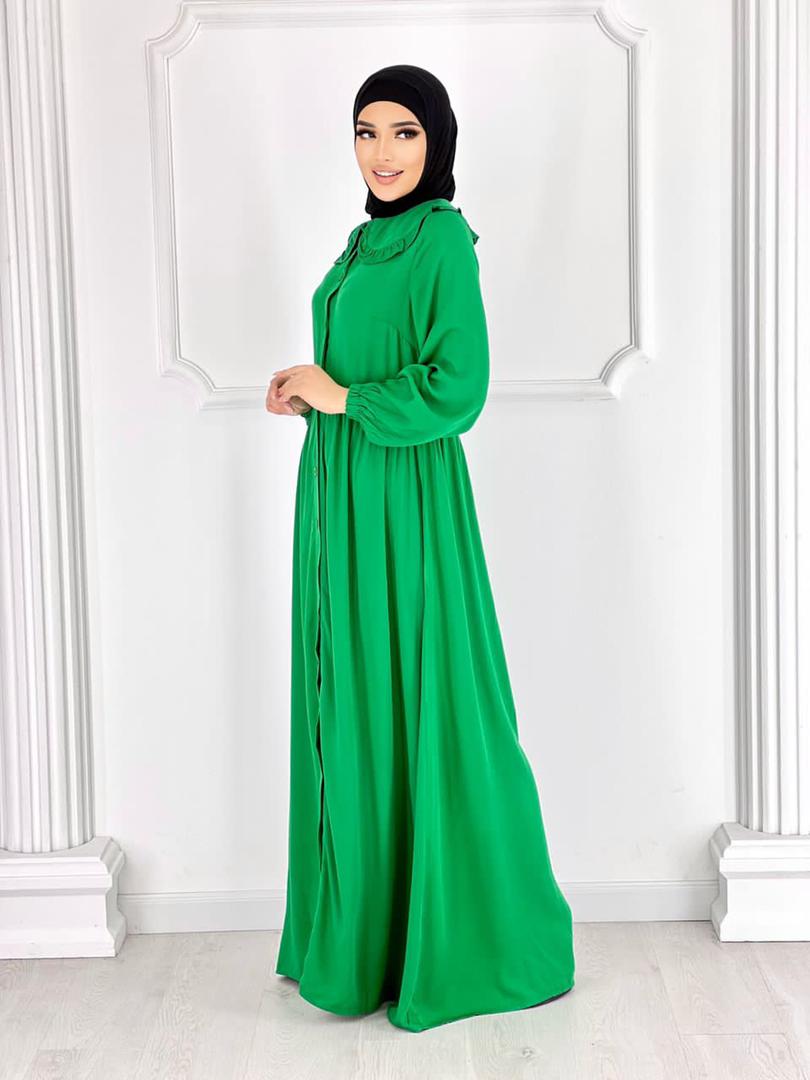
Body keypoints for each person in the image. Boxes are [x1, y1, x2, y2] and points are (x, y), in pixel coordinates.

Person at [266, 64, 574, 1033]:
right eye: (367, 132)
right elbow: (362, 364)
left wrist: (346, 396)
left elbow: (458, 386)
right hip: (343, 498)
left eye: (404, 132)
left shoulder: (442, 238)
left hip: (408, 503)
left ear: (437, 140)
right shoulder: (362, 242)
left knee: (431, 701)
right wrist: (309, 391)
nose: (384, 152)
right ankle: (365, 943)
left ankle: (475, 938)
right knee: (355, 701)